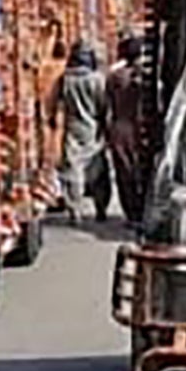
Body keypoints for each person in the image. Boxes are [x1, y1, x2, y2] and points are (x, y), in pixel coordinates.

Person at [95, 34, 147, 228]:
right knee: (138, 171)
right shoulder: (141, 75)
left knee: (124, 173)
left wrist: (103, 130)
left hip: (120, 127)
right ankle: (139, 210)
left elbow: (106, 105)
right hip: (139, 127)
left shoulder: (115, 76)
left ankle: (131, 212)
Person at [53, 42, 105, 223]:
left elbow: (54, 103)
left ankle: (75, 210)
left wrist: (52, 119)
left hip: (72, 129)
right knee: (97, 169)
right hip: (94, 129)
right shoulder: (97, 79)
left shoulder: (65, 80)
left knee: (72, 170)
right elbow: (103, 106)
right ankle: (100, 208)